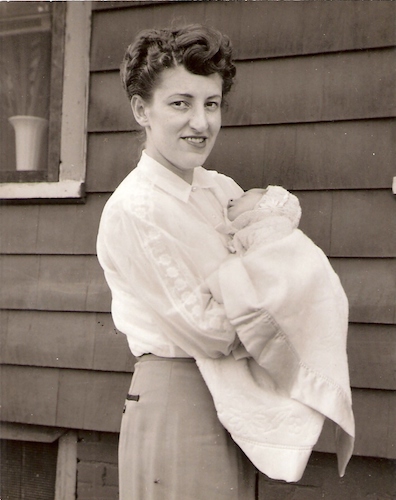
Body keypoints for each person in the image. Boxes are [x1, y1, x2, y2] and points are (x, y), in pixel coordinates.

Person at [96, 24, 258, 499]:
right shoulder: (136, 209)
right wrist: (272, 305)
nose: (201, 123)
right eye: (180, 103)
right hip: (179, 399)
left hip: (235, 398)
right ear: (142, 110)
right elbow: (213, 332)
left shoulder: (221, 191)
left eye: (211, 104)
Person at [196, 185, 355, 482]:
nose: (233, 198)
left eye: (246, 195)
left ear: (267, 206)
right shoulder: (249, 234)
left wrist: (225, 279)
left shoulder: (275, 232)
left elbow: (276, 270)